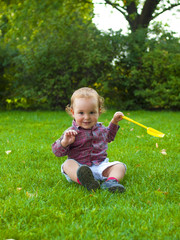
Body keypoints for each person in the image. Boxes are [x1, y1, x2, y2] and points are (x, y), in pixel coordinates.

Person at [52, 87, 126, 193]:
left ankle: (111, 182)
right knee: (67, 164)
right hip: (79, 167)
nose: (87, 117)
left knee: (120, 166)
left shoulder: (101, 129)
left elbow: (109, 136)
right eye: (81, 113)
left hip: (100, 165)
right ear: (73, 112)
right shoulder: (70, 132)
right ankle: (85, 181)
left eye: (91, 112)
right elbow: (57, 152)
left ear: (99, 111)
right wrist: (64, 142)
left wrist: (114, 122)